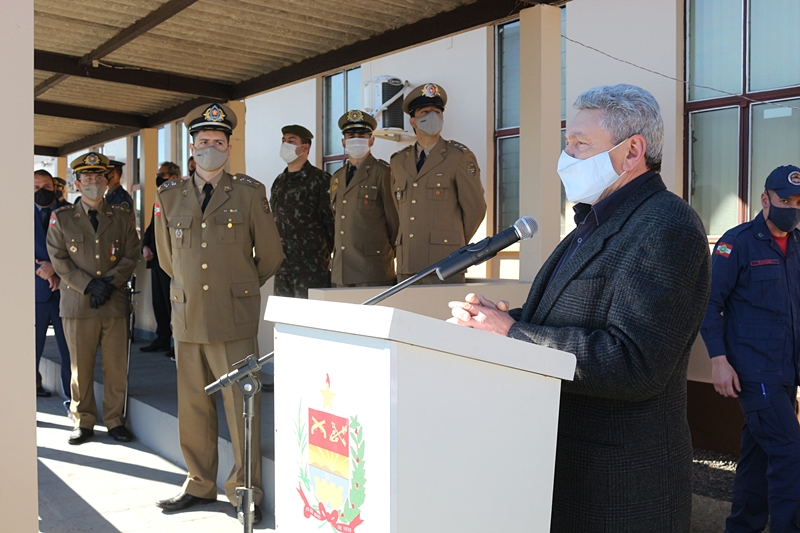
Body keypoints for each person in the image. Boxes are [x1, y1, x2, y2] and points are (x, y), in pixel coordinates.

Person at [448, 84, 711, 532]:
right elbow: (558, 320)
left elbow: (634, 362)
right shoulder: (589, 227)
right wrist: (497, 319)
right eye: (567, 142)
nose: (566, 155)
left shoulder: (668, 226)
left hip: (619, 490)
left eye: (580, 144)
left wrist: (512, 334)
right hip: (565, 476)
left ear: (632, 152)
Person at [154, 103, 283, 523]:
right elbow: (167, 259)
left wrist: (239, 288)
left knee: (240, 406)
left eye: (219, 142)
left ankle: (246, 490)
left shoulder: (248, 192)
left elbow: (270, 255)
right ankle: (199, 484)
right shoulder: (168, 196)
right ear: (193, 147)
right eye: (204, 142)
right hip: (188, 317)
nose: (211, 148)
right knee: (193, 407)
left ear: (229, 148)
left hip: (233, 318)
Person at [700, 164, 800, 533]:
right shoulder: (737, 243)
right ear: (765, 199)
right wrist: (718, 361)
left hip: (787, 372)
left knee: (759, 458)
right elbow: (709, 304)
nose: (793, 207)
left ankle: (741, 527)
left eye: (799, 201)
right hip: (754, 373)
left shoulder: (798, 246)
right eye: (785, 200)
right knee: (791, 453)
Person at [46, 152, 140, 445]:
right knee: (80, 367)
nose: (94, 183)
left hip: (113, 303)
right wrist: (89, 286)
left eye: (99, 178)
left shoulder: (122, 216)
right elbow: (58, 259)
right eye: (87, 178)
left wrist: (108, 284)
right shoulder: (61, 218)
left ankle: (114, 420)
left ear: (105, 180)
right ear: (76, 183)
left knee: (115, 368)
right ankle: (83, 420)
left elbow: (132, 253)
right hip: (78, 304)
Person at [391, 83, 486, 283]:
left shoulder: (459, 156)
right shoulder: (398, 161)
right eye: (425, 112)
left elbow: (475, 208)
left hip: (445, 264)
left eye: (437, 112)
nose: (432, 116)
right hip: (407, 263)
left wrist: (452, 243)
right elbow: (396, 210)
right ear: (413, 121)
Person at [330, 110, 399, 287]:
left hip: (372, 269)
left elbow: (395, 223)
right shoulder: (336, 177)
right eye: (351, 136)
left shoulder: (383, 173)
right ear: (343, 142)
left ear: (371, 140)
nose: (356, 139)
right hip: (342, 270)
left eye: (361, 135)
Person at [270, 124, 334, 298]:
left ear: (305, 147)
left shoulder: (320, 180)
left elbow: (330, 223)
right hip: (282, 269)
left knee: (310, 320)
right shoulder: (279, 182)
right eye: (284, 141)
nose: (285, 145)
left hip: (311, 269)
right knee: (284, 321)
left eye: (291, 141)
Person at [34, 169, 71, 408]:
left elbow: (79, 249)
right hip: (34, 292)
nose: (41, 192)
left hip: (65, 291)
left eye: (46, 187)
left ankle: (72, 400)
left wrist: (56, 269)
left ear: (55, 187)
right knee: (29, 350)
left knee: (69, 352)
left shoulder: (70, 212)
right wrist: (42, 270)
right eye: (35, 187)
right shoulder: (15, 212)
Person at [140, 162, 181, 359]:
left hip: (173, 261)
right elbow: (151, 227)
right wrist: (145, 246)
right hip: (156, 259)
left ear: (173, 177)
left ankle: (177, 343)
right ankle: (162, 337)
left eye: (162, 175)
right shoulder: (160, 197)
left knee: (173, 303)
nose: (158, 178)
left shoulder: (182, 197)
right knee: (159, 302)